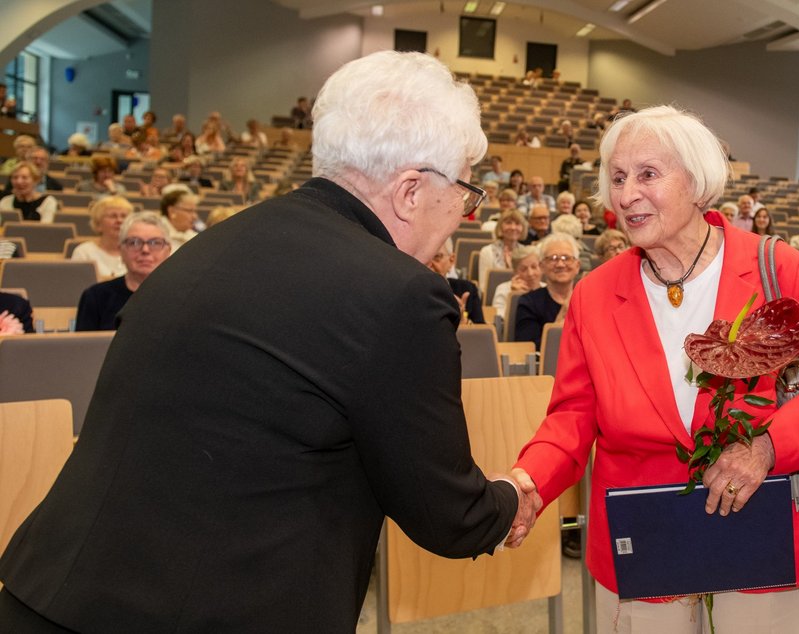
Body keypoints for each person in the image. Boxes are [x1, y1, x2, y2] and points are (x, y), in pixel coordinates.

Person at [0, 51, 537, 632]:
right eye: (463, 190)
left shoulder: (212, 245)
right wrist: (511, 495)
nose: (462, 212)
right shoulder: (400, 294)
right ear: (410, 190)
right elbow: (448, 515)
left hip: (49, 588)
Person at [509, 105, 799, 633]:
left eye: (647, 174)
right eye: (617, 178)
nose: (627, 193)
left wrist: (768, 446)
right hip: (646, 535)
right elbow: (572, 416)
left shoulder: (777, 268)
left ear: (697, 182)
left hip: (760, 523)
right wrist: (528, 481)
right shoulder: (594, 295)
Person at [74, 212, 172, 331]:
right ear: (121, 249)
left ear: (168, 251)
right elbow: (85, 348)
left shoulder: (185, 297)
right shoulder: (96, 296)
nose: (145, 250)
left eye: (155, 243)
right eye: (134, 242)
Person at [514, 232, 579, 350]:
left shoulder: (589, 301)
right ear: (542, 266)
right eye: (553, 258)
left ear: (577, 266)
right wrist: (558, 324)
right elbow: (527, 350)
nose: (560, 264)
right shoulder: (528, 303)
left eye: (566, 258)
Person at [71, 195, 134, 278]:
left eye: (124, 216)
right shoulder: (84, 252)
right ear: (98, 224)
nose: (119, 220)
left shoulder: (138, 250)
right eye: (113, 216)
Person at [427, 238, 484, 324]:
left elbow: (482, 332)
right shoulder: (410, 292)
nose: (428, 264)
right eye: (425, 258)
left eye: (437, 257)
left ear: (451, 260)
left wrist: (464, 323)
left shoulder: (467, 289)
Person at [478, 209, 527, 292]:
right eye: (508, 223)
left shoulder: (527, 253)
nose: (513, 227)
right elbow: (484, 288)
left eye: (517, 224)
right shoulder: (487, 252)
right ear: (500, 227)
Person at [492, 245, 543, 318]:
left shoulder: (549, 289)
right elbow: (500, 321)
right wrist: (515, 297)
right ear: (515, 272)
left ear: (541, 268)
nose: (530, 273)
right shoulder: (503, 289)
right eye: (523, 269)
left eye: (534, 267)